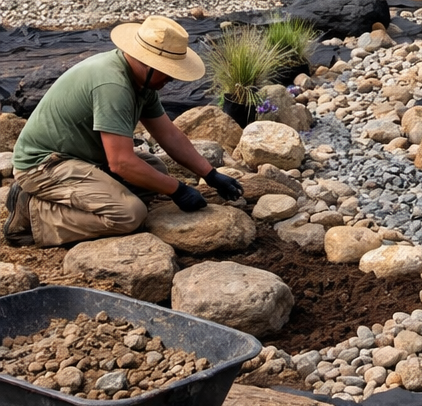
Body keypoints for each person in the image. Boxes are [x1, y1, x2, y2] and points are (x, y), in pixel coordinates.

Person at [3, 16, 244, 249]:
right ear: (148, 63)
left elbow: (169, 135)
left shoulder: (140, 81)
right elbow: (121, 163)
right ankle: (33, 213)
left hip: (81, 158)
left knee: (156, 171)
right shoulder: (113, 85)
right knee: (130, 214)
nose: (171, 78)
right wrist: (178, 190)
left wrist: (210, 174)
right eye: (168, 71)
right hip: (43, 165)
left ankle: (74, 197)